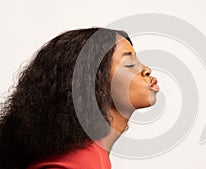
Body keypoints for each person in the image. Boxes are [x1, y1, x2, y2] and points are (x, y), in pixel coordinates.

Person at [0, 27, 160, 169]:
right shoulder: (79, 162)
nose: (146, 69)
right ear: (95, 84)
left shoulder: (90, 157)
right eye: (129, 63)